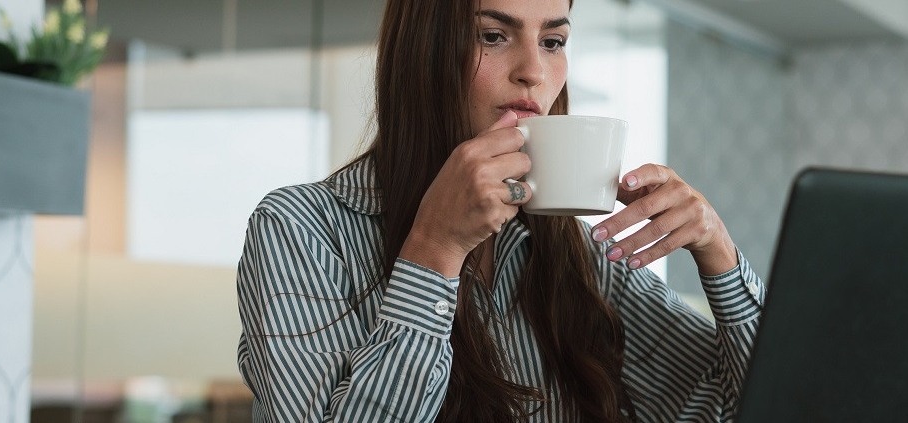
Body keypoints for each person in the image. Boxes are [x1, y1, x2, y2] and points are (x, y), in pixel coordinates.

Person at [234, 0, 766, 421]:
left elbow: (760, 402)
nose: (534, 71)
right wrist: (434, 251)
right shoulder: (300, 229)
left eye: (553, 41)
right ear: (423, 52)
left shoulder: (579, 253)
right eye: (493, 35)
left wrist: (717, 253)